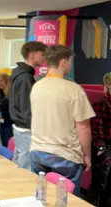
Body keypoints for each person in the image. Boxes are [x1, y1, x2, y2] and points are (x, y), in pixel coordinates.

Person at [29, 45, 94, 195]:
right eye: (70, 61)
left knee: (42, 199)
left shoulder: (37, 86)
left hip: (38, 152)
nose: (70, 65)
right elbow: (83, 127)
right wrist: (87, 156)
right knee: (66, 204)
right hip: (65, 155)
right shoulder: (73, 90)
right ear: (63, 62)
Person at [8, 41, 46, 170]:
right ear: (31, 55)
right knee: (26, 170)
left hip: (20, 128)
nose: (44, 57)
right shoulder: (25, 78)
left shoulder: (21, 75)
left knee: (20, 165)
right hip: (26, 130)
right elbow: (26, 108)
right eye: (42, 54)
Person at [86, 72, 111, 207]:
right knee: (101, 179)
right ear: (108, 86)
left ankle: (105, 206)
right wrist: (101, 148)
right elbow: (97, 129)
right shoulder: (100, 104)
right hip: (103, 146)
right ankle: (91, 205)